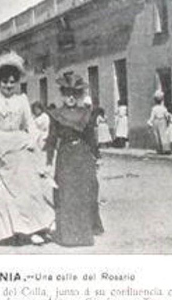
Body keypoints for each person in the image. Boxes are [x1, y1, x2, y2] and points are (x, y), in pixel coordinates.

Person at [0, 50, 54, 246]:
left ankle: (33, 227)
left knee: (27, 190)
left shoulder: (22, 100)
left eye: (12, 81)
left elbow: (32, 126)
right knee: (3, 195)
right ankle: (14, 231)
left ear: (17, 81)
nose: (8, 86)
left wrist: (32, 141)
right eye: (4, 81)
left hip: (20, 149)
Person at [44, 72, 104, 247]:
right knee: (66, 193)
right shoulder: (56, 114)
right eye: (67, 93)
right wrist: (48, 161)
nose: (70, 97)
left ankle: (84, 234)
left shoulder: (85, 113)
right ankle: (68, 236)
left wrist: (97, 157)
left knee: (84, 192)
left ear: (78, 96)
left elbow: (90, 138)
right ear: (62, 94)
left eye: (74, 94)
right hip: (65, 156)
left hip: (83, 155)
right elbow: (52, 138)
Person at [147, 90, 171, 155]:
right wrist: (168, 120)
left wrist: (149, 122)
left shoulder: (154, 108)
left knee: (157, 135)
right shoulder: (163, 108)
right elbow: (167, 115)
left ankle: (159, 149)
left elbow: (152, 116)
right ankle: (166, 148)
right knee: (163, 134)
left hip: (156, 121)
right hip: (163, 121)